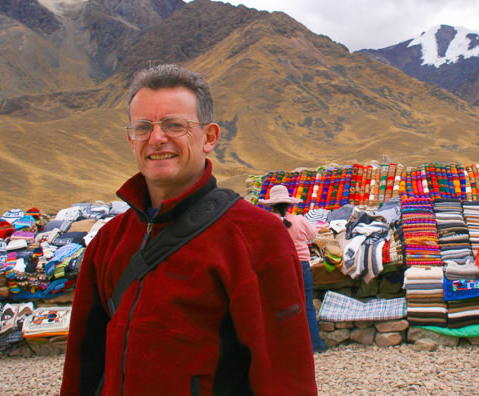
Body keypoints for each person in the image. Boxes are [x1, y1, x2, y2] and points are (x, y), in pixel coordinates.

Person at [60, 64, 317, 395]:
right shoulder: (109, 240)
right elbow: (85, 359)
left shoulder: (257, 237)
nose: (156, 138)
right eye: (142, 127)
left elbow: (284, 374)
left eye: (174, 125)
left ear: (209, 137)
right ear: (130, 138)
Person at [260, 185, 327, 353]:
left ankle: (287, 346)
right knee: (307, 306)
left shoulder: (266, 221)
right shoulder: (300, 220)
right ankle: (315, 345)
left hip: (279, 266)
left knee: (283, 306)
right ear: (289, 204)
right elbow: (313, 235)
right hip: (302, 264)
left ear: (271, 205)